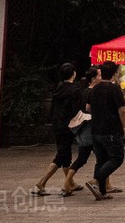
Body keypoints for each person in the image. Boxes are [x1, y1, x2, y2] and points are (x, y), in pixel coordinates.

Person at [34, 63, 81, 196]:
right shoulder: (75, 90)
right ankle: (44, 182)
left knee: (64, 154)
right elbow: (76, 110)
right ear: (74, 74)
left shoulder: (58, 89)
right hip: (68, 126)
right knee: (62, 156)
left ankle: (70, 182)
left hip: (57, 125)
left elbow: (53, 109)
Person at [86, 61, 125, 201]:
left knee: (101, 160)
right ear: (114, 74)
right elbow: (122, 110)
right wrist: (124, 126)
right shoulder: (114, 89)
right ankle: (95, 180)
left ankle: (101, 192)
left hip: (95, 129)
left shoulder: (94, 89)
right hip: (110, 129)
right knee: (117, 158)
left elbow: (88, 108)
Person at [61, 67, 101, 196]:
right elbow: (88, 108)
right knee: (101, 157)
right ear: (93, 79)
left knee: (82, 158)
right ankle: (99, 183)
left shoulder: (84, 92)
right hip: (92, 129)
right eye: (99, 75)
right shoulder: (92, 92)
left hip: (86, 129)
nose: (101, 77)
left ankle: (67, 183)